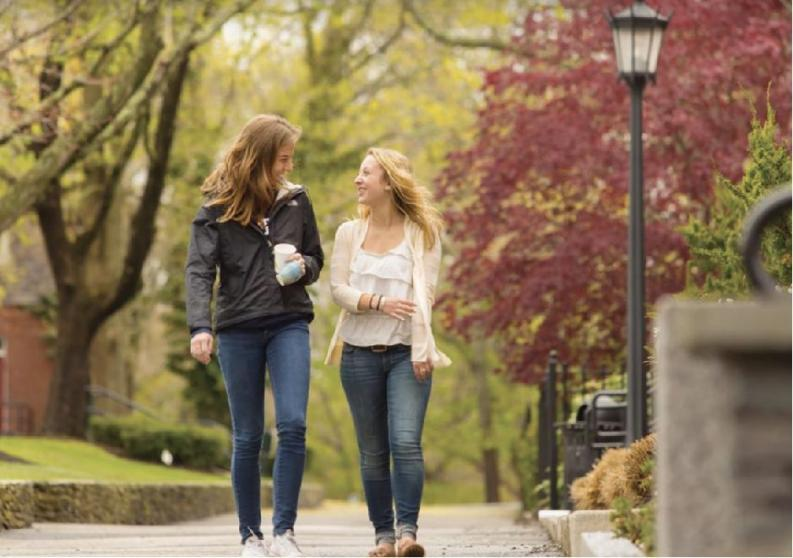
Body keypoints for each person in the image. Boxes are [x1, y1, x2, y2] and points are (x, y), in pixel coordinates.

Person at [186, 114, 323, 558]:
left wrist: (304, 267)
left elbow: (317, 258)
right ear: (261, 157)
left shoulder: (298, 201)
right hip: (238, 328)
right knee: (248, 435)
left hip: (289, 323)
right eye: (282, 159)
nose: (289, 166)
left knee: (293, 425)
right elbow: (199, 270)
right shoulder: (216, 208)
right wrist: (200, 326)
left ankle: (284, 533)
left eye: (291, 159)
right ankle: (251, 536)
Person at [325, 147, 452, 557]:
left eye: (366, 174)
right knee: (373, 451)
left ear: (389, 183)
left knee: (406, 442)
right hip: (358, 356)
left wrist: (421, 348)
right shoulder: (349, 233)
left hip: (405, 354)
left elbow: (426, 296)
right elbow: (338, 290)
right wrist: (378, 302)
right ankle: (382, 538)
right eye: (359, 173)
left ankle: (408, 535)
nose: (358, 180)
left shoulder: (423, 232)